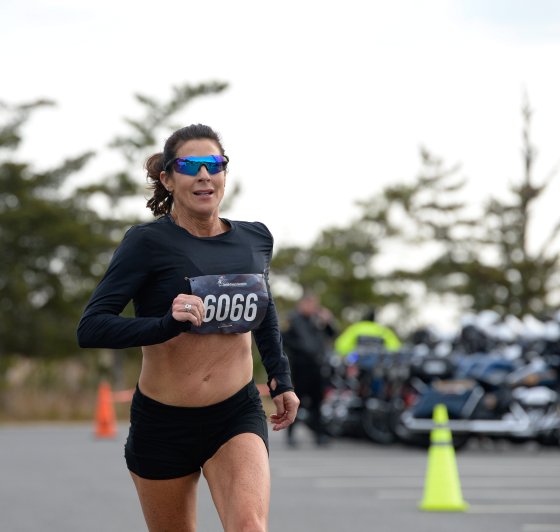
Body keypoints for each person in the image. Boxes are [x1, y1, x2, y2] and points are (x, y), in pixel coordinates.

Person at [77, 124, 299, 532]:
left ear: (224, 174)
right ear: (167, 178)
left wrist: (280, 379)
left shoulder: (255, 239)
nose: (203, 174)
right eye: (190, 165)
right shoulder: (146, 243)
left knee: (250, 526)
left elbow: (263, 312)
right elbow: (91, 328)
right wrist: (165, 325)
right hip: (164, 422)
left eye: (214, 164)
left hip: (235, 413)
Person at [281, 292, 337, 446]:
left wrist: (329, 321)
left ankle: (319, 436)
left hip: (317, 367)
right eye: (310, 304)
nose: (313, 307)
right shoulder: (293, 319)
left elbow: (332, 335)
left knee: (317, 403)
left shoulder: (318, 320)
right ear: (302, 304)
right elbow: (283, 338)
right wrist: (302, 351)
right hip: (300, 367)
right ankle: (291, 435)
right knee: (296, 402)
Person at [334, 308, 401, 357]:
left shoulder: (356, 328)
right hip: (378, 365)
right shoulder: (383, 330)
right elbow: (395, 348)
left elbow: (341, 346)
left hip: (357, 364)